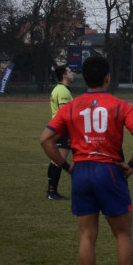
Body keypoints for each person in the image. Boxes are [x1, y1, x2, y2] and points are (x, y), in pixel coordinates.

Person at [40, 55, 133, 265]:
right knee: (122, 233)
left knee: (87, 237)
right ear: (107, 77)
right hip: (109, 171)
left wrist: (67, 167)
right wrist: (131, 165)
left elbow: (46, 139)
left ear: (83, 78)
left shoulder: (70, 106)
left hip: (81, 173)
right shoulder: (120, 105)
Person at [46, 65, 74, 201]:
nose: (72, 73)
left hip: (58, 128)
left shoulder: (59, 89)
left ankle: (52, 191)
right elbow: (64, 112)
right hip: (62, 129)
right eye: (69, 71)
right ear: (64, 75)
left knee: (56, 159)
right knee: (59, 159)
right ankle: (52, 191)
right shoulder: (63, 91)